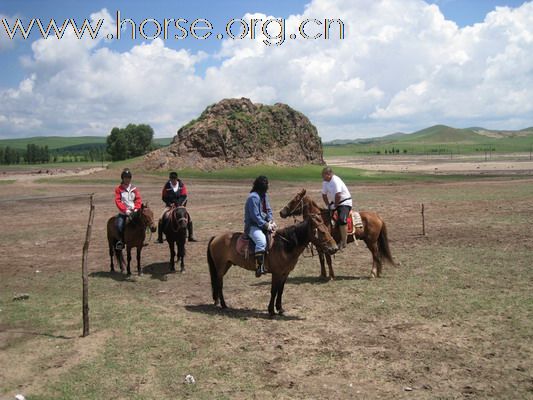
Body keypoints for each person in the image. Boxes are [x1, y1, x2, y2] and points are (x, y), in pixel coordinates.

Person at [244, 175, 277, 277]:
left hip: (263, 224)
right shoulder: (253, 197)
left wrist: (271, 221)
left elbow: (268, 210)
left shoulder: (264, 196)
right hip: (253, 226)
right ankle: (259, 267)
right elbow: (255, 216)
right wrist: (266, 225)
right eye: (267, 184)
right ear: (262, 186)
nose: (268, 186)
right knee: (261, 241)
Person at [157, 171, 197, 243]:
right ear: (170, 179)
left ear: (177, 178)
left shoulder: (181, 185)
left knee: (189, 217)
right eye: (171, 179)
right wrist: (169, 203)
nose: (173, 181)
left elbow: (184, 196)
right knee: (161, 218)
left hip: (180, 206)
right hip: (169, 206)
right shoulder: (167, 186)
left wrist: (179, 204)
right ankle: (160, 237)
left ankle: (190, 236)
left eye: (174, 179)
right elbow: (164, 197)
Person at [321, 166, 352, 249]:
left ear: (329, 174)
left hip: (344, 202)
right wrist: (328, 205)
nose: (323, 178)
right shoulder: (325, 182)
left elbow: (338, 194)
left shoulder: (335, 180)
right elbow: (324, 195)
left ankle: (344, 241)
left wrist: (335, 206)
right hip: (334, 203)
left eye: (324, 176)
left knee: (342, 220)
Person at [114, 168, 142, 250]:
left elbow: (138, 199)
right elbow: (118, 201)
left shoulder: (134, 188)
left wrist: (136, 208)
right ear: (122, 178)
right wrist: (125, 210)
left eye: (129, 178)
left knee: (143, 222)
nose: (127, 179)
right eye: (125, 178)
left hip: (134, 211)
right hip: (123, 213)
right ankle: (121, 242)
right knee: (119, 226)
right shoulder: (118, 189)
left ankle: (141, 240)